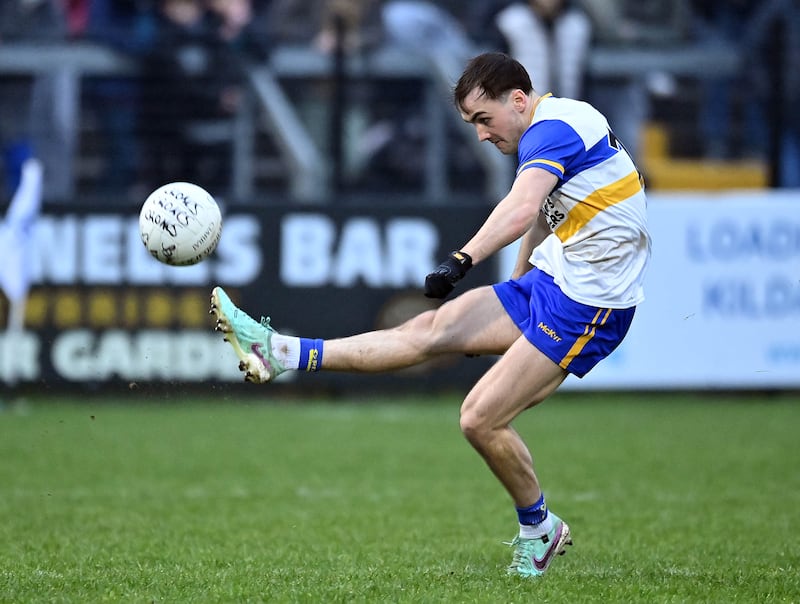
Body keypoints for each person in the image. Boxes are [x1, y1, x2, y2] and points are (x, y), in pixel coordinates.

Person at [210, 52, 651, 578]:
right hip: (555, 281)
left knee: (479, 418)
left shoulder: (553, 128)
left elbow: (521, 209)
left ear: (517, 100)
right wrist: (515, 287)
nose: (482, 135)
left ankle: (540, 529)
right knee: (428, 331)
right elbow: (540, 219)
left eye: (484, 120)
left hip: (590, 305)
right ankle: (279, 351)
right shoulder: (548, 131)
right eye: (473, 126)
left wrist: (461, 260)